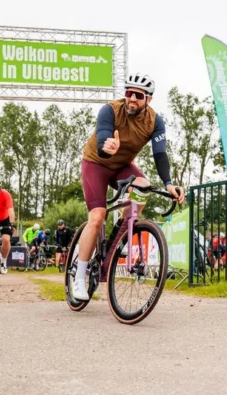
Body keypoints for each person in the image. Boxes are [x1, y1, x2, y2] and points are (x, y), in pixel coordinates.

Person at [72, 72, 186, 300]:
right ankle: (79, 276)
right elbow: (104, 136)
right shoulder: (110, 110)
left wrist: (170, 184)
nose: (132, 98)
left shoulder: (155, 121)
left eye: (138, 95)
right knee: (97, 216)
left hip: (122, 166)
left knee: (144, 185)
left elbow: (160, 155)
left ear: (149, 99)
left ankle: (118, 239)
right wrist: (107, 146)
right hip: (96, 163)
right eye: (128, 93)